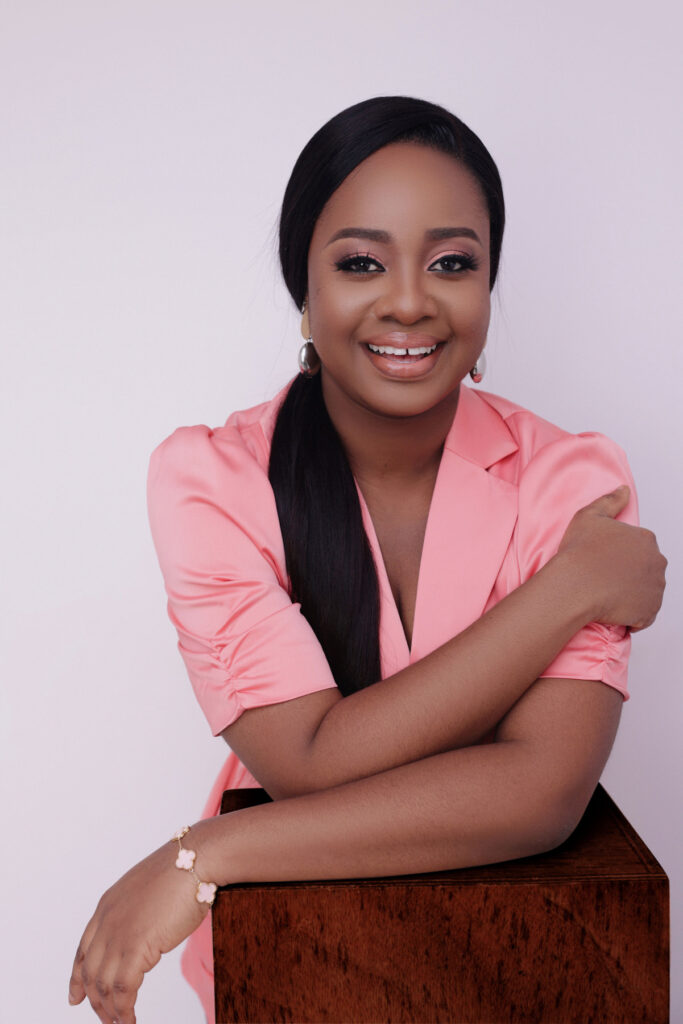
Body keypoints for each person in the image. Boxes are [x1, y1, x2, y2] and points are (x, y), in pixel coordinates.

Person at [68, 96, 667, 1024]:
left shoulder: (570, 478)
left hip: (520, 969)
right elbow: (308, 764)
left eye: (452, 262)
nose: (410, 300)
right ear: (303, 291)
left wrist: (212, 853)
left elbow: (543, 792)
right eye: (360, 262)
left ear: (490, 282)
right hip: (295, 956)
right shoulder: (213, 481)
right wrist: (569, 590)